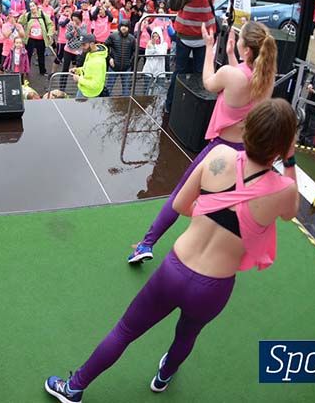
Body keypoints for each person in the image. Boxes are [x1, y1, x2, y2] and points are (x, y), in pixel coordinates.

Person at [46, 99, 300, 402]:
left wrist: (213, 209)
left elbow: (180, 204)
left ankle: (74, 387)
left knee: (125, 330)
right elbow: (289, 213)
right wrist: (290, 160)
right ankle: (164, 376)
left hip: (175, 269)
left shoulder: (220, 155)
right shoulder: (284, 189)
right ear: (283, 145)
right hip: (214, 286)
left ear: (248, 128)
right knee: (187, 334)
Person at [128, 21, 277, 264]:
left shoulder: (232, 75)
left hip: (220, 151)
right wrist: (230, 54)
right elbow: (241, 83)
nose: (236, 42)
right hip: (246, 156)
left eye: (239, 40)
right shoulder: (265, 78)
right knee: (230, 207)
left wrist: (209, 48)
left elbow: (209, 82)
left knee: (179, 196)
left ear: (247, 50)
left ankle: (146, 244)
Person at [163, 0, 215, 116]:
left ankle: (170, 105)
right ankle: (197, 110)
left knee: (179, 71)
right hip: (205, 35)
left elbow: (172, 4)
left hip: (187, 36)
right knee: (200, 73)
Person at [104, 21, 136, 96]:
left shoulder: (132, 38)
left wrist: (130, 61)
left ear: (128, 28)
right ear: (119, 26)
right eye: (122, 25)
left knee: (126, 90)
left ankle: (126, 106)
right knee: (109, 88)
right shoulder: (113, 36)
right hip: (113, 67)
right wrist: (109, 58)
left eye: (126, 26)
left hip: (126, 68)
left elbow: (135, 51)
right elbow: (105, 47)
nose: (124, 27)